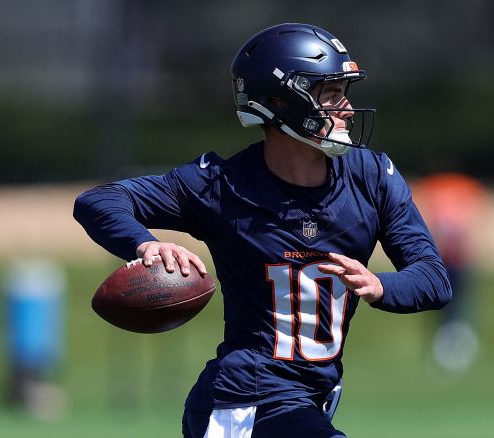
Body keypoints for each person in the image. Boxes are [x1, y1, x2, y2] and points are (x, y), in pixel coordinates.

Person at [74, 23, 451, 437]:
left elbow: (433, 279)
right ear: (280, 102)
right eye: (330, 94)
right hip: (245, 403)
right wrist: (146, 244)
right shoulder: (222, 184)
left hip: (308, 400)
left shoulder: (372, 177)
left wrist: (380, 286)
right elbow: (99, 201)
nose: (345, 108)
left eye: (345, 92)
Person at [413, 173, 485, 374]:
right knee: (442, 307)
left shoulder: (463, 189)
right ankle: (445, 345)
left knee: (459, 305)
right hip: (441, 259)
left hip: (457, 259)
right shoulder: (439, 190)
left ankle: (458, 343)